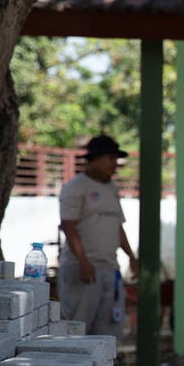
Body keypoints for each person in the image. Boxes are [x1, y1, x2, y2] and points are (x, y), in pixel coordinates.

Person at [58, 134, 139, 338]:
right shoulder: (76, 187)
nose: (115, 164)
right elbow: (68, 226)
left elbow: (118, 226)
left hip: (110, 270)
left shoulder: (112, 189)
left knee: (107, 332)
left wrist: (131, 256)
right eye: (110, 158)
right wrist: (83, 261)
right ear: (94, 159)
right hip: (83, 269)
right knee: (77, 330)